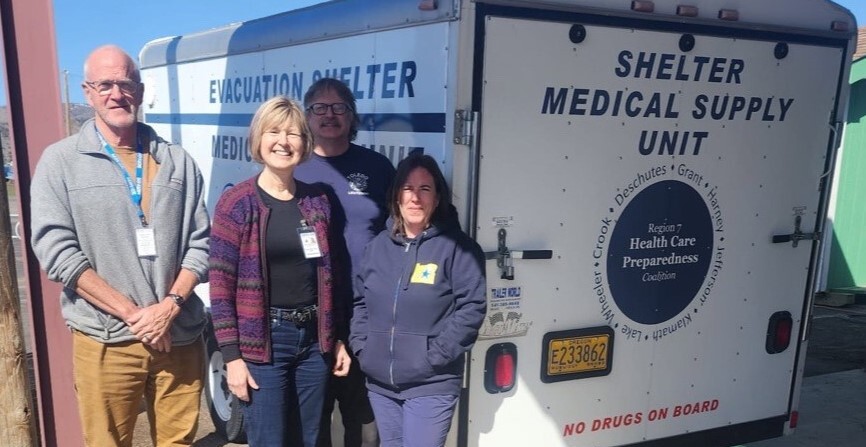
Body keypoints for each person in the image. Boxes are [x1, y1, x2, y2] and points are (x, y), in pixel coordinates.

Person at [30, 45, 210, 446]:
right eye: (105, 84)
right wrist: (134, 315)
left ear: (140, 91)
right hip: (106, 339)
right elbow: (56, 251)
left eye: (125, 84)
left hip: (177, 334)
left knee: (179, 441)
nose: (117, 94)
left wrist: (168, 308)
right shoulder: (60, 162)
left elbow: (202, 244)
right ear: (87, 92)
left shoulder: (178, 162)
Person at [209, 95, 352, 447]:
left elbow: (332, 274)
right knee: (270, 439)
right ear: (258, 139)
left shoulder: (318, 201)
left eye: (293, 134)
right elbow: (220, 287)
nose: (283, 142)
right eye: (273, 131)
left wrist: (336, 338)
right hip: (264, 341)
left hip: (314, 340)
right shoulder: (237, 203)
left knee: (311, 437)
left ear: (305, 143)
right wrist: (233, 359)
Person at [351, 153, 487, 447]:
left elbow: (471, 308)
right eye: (408, 189)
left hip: (431, 383)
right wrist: (363, 347)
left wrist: (432, 357)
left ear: (437, 198)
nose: (415, 198)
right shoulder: (377, 248)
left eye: (425, 189)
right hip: (380, 383)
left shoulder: (458, 249)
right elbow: (360, 301)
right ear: (396, 196)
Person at [295, 78, 394, 447]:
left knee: (366, 426)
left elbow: (398, 233)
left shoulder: (377, 166)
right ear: (307, 116)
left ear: (352, 116)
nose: (330, 115)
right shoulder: (294, 167)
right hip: (309, 314)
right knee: (312, 422)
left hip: (364, 312)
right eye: (320, 107)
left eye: (339, 107)